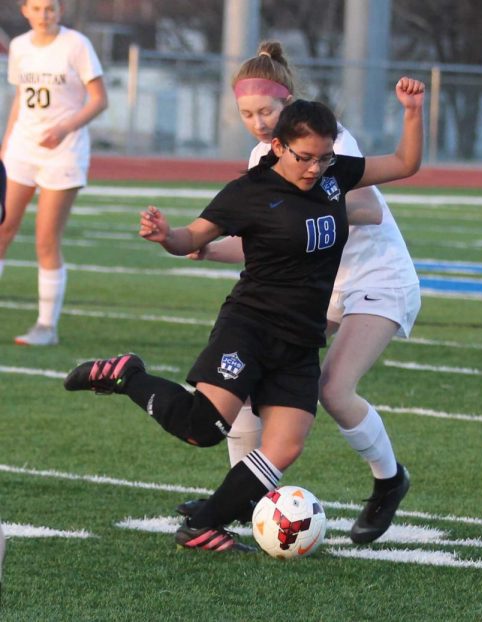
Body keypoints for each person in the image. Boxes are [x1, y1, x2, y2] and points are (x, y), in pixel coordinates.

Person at [64, 77, 425, 553]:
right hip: (251, 325)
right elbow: (193, 238)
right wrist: (166, 235)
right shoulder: (249, 191)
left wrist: (412, 111)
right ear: (278, 146)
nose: (315, 168)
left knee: (286, 445)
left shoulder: (335, 175)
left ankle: (205, 523)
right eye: (305, 157)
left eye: (323, 157)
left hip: (300, 337)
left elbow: (404, 163)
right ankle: (128, 376)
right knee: (202, 429)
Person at [178, 42, 420, 545]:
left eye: (267, 110)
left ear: (288, 102)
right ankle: (239, 499)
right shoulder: (262, 158)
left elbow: (369, 209)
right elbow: (264, 243)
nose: (259, 122)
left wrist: (304, 214)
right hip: (318, 285)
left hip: (375, 277)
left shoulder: (325, 140)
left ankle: (389, 479)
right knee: (245, 384)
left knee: (333, 388)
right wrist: (203, 248)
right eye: (247, 113)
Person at [0, 0, 107, 346]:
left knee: (46, 239)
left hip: (64, 152)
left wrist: (65, 128)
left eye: (50, 8)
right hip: (22, 149)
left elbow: (99, 99)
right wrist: (5, 147)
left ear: (60, 11)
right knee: (3, 228)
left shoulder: (76, 44)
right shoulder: (19, 46)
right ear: (24, 11)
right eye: (37, 8)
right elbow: (21, 98)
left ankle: (46, 327)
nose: (44, 15)